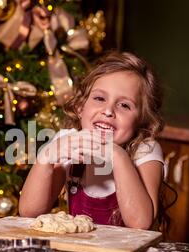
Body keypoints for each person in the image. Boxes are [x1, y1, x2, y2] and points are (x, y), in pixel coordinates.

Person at [19, 51, 167, 230]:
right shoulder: (69, 143)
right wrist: (46, 157)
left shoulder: (146, 150)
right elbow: (29, 211)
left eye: (124, 105)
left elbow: (140, 223)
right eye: (99, 98)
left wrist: (118, 156)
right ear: (80, 107)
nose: (108, 111)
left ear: (142, 119)